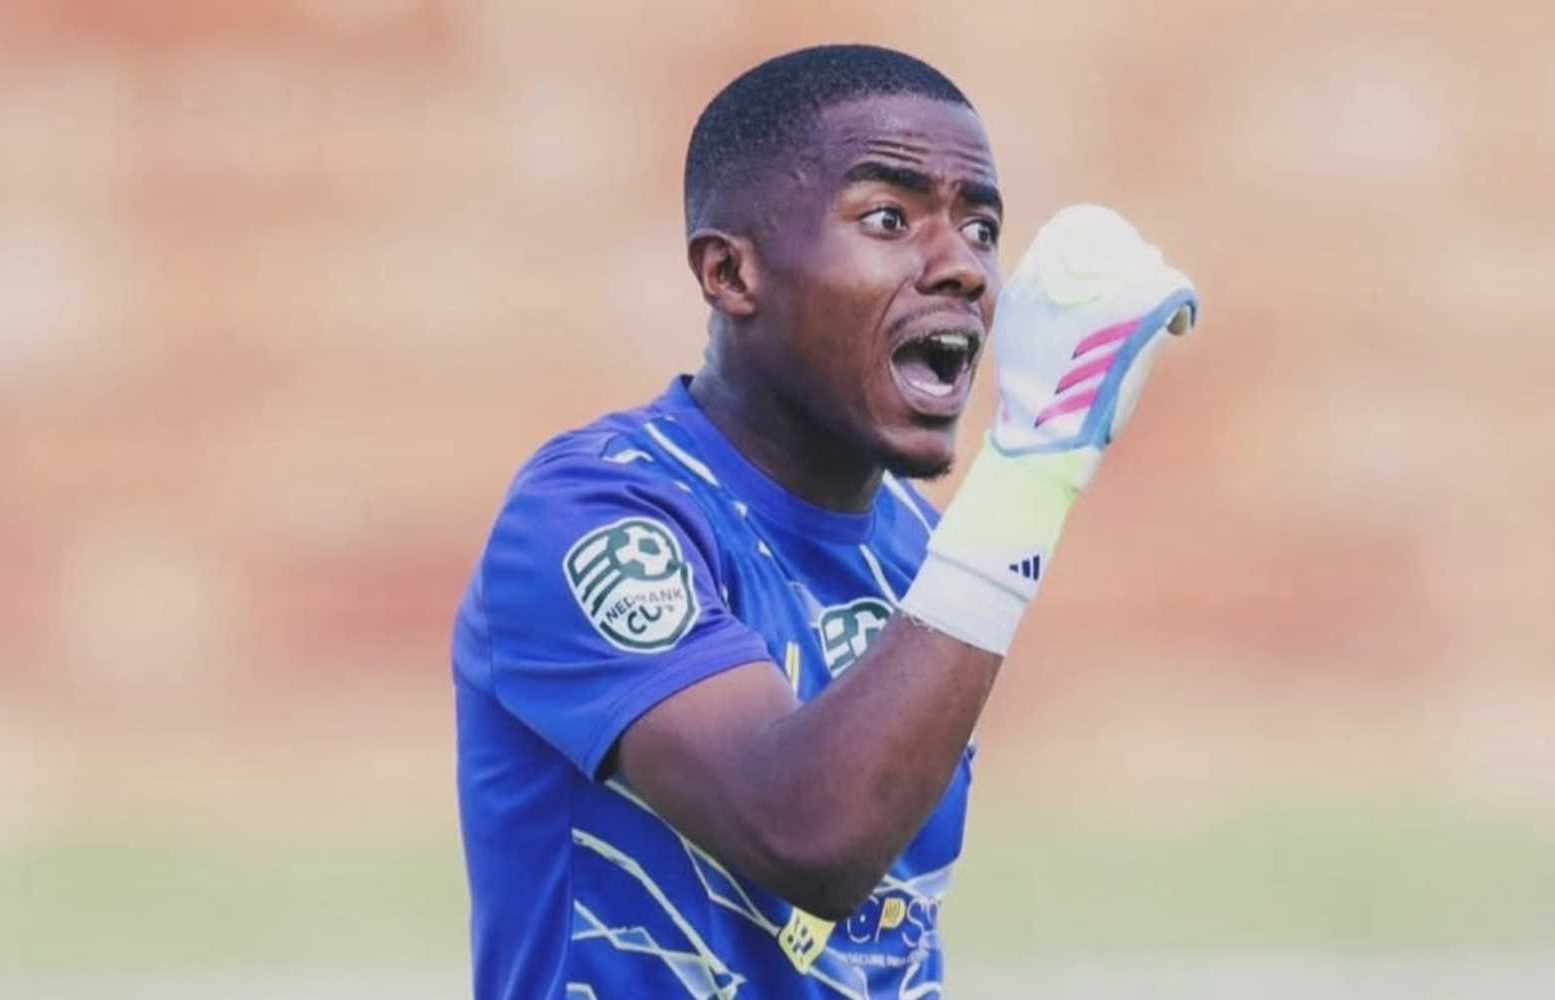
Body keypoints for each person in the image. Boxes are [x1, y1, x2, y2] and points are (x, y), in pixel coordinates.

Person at [452, 43, 1198, 1000]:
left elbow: (874, 943)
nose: (963, 269)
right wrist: (1034, 468)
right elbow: (806, 837)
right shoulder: (592, 519)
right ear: (730, 273)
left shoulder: (920, 550)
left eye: (980, 226)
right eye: (889, 218)